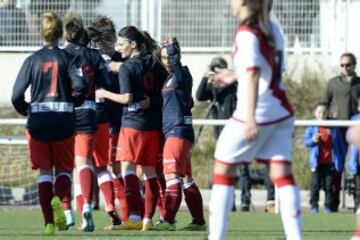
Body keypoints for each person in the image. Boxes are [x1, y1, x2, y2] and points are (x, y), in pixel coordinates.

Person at [208, 0, 302, 239]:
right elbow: (263, 66)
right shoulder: (272, 27)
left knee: (222, 168)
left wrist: (249, 118)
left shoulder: (246, 33)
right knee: (282, 174)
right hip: (281, 112)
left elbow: (253, 75)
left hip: (257, 111)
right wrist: (233, 75)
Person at [11, 11, 85, 235]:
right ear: (60, 33)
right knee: (64, 171)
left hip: (38, 122)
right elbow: (81, 86)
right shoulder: (69, 58)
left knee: (44, 173)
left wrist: (28, 111)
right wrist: (73, 102)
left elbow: (16, 95)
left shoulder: (32, 59)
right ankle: (56, 197)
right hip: (63, 120)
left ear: (42, 33)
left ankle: (49, 224)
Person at [96, 26, 167, 231]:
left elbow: (126, 98)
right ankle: (148, 220)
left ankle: (135, 217)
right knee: (150, 172)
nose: (119, 48)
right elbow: (161, 93)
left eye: (121, 44)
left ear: (133, 44)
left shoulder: (128, 67)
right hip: (153, 125)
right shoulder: (154, 63)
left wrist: (104, 94)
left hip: (133, 125)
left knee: (127, 170)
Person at [63, 12, 116, 231]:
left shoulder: (62, 54)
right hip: (92, 114)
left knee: (69, 166)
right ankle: (103, 206)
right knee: (97, 166)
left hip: (65, 113)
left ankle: (69, 213)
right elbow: (109, 81)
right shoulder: (94, 55)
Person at [149, 36, 206, 231]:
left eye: (169, 57)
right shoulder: (168, 78)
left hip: (178, 131)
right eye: (163, 57)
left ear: (176, 55)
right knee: (186, 178)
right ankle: (198, 221)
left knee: (171, 175)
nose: (166, 61)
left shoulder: (182, 73)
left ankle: (169, 220)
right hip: (177, 131)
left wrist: (172, 49)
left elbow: (178, 68)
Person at [87, 16, 129, 226]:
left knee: (109, 168)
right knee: (104, 167)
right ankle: (118, 211)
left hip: (113, 120)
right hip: (105, 119)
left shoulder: (119, 60)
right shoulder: (96, 57)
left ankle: (125, 212)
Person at [319, 52, 360, 212]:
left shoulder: (359, 83)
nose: (345, 68)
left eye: (348, 64)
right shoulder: (332, 83)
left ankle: (357, 204)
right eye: (342, 65)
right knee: (336, 166)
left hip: (356, 129)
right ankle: (332, 204)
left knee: (356, 164)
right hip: (337, 129)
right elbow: (323, 103)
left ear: (354, 65)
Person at [304, 103, 346, 214]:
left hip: (330, 163)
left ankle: (328, 207)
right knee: (315, 185)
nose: (322, 114)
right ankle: (314, 207)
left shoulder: (333, 127)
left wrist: (341, 159)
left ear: (327, 113)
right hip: (316, 163)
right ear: (315, 113)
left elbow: (340, 144)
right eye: (319, 112)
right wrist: (313, 140)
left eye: (324, 112)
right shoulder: (312, 126)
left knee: (329, 186)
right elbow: (306, 142)